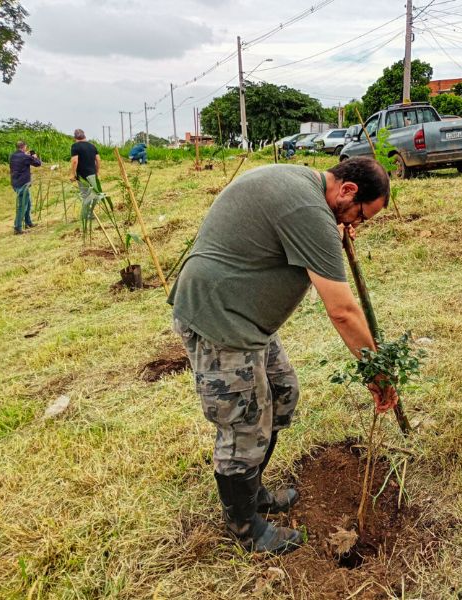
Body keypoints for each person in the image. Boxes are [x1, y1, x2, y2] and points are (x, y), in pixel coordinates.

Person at [169, 157, 397, 556]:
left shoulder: (305, 187)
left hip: (246, 318)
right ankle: (246, 530)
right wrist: (376, 373)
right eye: (361, 215)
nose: (356, 225)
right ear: (347, 191)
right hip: (220, 317)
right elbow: (343, 311)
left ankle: (253, 492)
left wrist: (336, 229)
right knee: (244, 423)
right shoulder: (309, 211)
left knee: (282, 392)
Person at [9, 141, 42, 234]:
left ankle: (28, 222)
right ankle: (17, 227)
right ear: (24, 147)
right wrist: (34, 157)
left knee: (28, 202)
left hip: (15, 183)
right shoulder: (25, 157)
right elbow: (38, 163)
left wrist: (27, 155)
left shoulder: (12, 156)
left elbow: (21, 161)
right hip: (23, 184)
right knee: (22, 205)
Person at [69, 129, 100, 202]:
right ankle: (92, 210)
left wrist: (73, 174)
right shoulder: (92, 146)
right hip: (93, 174)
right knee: (93, 194)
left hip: (83, 175)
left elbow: (74, 161)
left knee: (85, 196)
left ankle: (88, 212)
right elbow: (98, 159)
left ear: (75, 137)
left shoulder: (75, 146)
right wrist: (97, 172)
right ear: (84, 135)